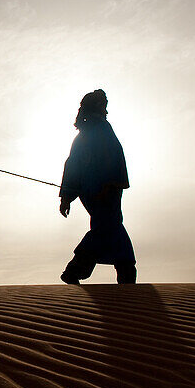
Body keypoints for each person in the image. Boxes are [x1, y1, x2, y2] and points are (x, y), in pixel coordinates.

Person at [58, 89, 137, 284]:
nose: (106, 110)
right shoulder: (101, 129)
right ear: (99, 107)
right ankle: (75, 270)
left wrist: (67, 196)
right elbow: (115, 157)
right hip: (105, 190)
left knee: (112, 227)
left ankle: (126, 271)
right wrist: (111, 184)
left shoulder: (83, 135)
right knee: (105, 228)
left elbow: (72, 165)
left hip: (92, 192)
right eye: (104, 105)